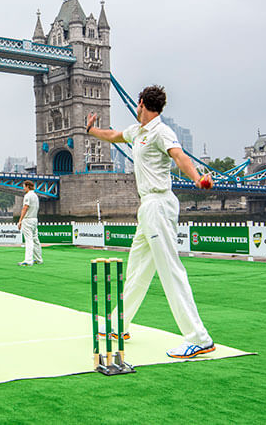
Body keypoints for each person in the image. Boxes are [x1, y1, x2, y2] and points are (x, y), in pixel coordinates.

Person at [86, 85, 215, 359]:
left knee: (170, 270)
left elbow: (179, 157)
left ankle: (199, 338)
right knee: (137, 269)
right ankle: (119, 325)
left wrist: (197, 178)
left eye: (137, 104)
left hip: (159, 204)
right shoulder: (137, 132)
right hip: (147, 208)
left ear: (141, 103)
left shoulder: (162, 131)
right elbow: (113, 135)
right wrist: (91, 131)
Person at [17, 180, 42, 266]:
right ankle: (39, 259)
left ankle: (28, 260)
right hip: (35, 219)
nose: (23, 188)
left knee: (29, 240)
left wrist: (20, 220)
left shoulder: (27, 196)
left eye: (24, 186)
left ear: (27, 186)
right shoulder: (35, 196)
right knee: (35, 240)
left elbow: (25, 207)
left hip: (28, 219)